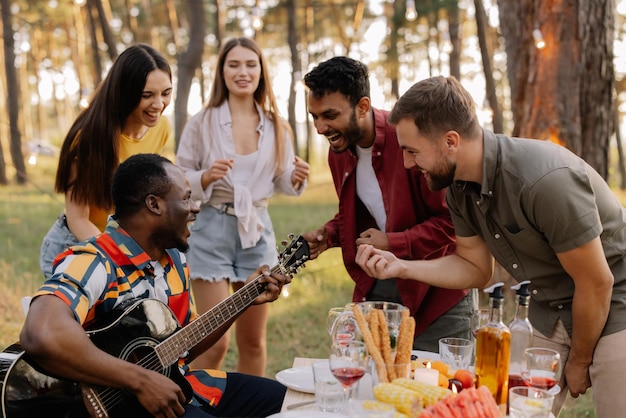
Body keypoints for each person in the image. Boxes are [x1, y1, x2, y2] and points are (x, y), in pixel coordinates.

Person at [355, 75, 626, 417]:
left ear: (450, 141)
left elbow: (597, 282)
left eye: (412, 151)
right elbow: (475, 268)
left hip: (616, 301)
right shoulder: (457, 187)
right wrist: (402, 266)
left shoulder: (543, 182)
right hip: (550, 306)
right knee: (502, 410)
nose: (408, 164)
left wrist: (580, 360)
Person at [20, 153, 289, 418]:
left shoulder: (174, 260)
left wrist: (242, 301)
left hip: (181, 387)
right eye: (185, 198)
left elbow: (180, 348)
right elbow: (41, 333)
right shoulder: (95, 261)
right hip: (119, 405)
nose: (195, 207)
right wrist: (140, 381)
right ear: (154, 204)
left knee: (290, 401)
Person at [300, 56, 474, 353]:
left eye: (329, 115)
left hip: (440, 296)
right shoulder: (338, 151)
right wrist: (329, 234)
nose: (319, 127)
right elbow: (368, 213)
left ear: (363, 107)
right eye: (314, 116)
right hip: (380, 287)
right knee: (373, 390)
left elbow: (450, 223)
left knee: (439, 392)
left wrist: (392, 242)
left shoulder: (408, 140)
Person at [176, 37, 310, 376]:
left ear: (261, 71)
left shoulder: (276, 125)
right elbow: (177, 179)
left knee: (253, 341)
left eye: (251, 64)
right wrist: (205, 177)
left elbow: (281, 180)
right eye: (233, 64)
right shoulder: (201, 122)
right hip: (211, 232)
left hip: (257, 233)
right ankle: (202, 408)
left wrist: (296, 178)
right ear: (221, 71)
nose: (243, 72)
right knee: (214, 341)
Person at [39, 43, 173, 279]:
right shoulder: (89, 139)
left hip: (124, 243)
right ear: (125, 92)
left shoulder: (161, 128)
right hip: (78, 244)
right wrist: (120, 258)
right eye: (147, 95)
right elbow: (78, 218)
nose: (159, 104)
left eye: (166, 93)